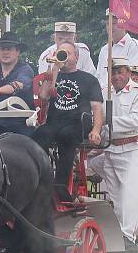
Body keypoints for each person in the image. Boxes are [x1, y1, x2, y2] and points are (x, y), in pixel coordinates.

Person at [88, 57, 138, 247]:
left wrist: (106, 121)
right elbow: (96, 117)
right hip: (111, 148)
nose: (116, 76)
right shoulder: (105, 93)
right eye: (113, 72)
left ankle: (128, 234)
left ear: (128, 72)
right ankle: (121, 232)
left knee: (130, 194)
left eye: (120, 71)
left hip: (131, 148)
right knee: (116, 195)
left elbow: (136, 121)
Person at [33, 40, 104, 201]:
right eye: (61, 52)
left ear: (77, 57)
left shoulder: (89, 79)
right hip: (55, 122)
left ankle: (61, 185)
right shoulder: (54, 74)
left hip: (77, 123)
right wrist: (54, 67)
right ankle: (42, 179)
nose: (63, 56)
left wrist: (96, 130)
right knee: (39, 135)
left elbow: (97, 108)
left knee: (67, 136)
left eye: (67, 53)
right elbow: (44, 95)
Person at [95, 9, 138, 90]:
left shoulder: (132, 46)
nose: (110, 27)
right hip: (105, 96)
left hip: (125, 96)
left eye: (114, 23)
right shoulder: (104, 50)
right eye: (108, 24)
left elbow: (135, 76)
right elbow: (99, 77)